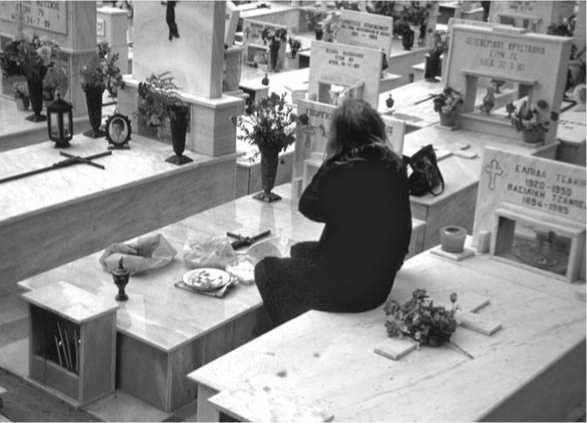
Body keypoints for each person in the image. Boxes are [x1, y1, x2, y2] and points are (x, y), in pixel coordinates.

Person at [254, 99, 412, 327]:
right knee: (299, 250)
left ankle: (292, 328)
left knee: (266, 270)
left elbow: (307, 206)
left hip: (349, 290)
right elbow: (404, 233)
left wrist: (331, 160)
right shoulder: (394, 167)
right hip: (380, 282)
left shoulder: (344, 170)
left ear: (340, 138)